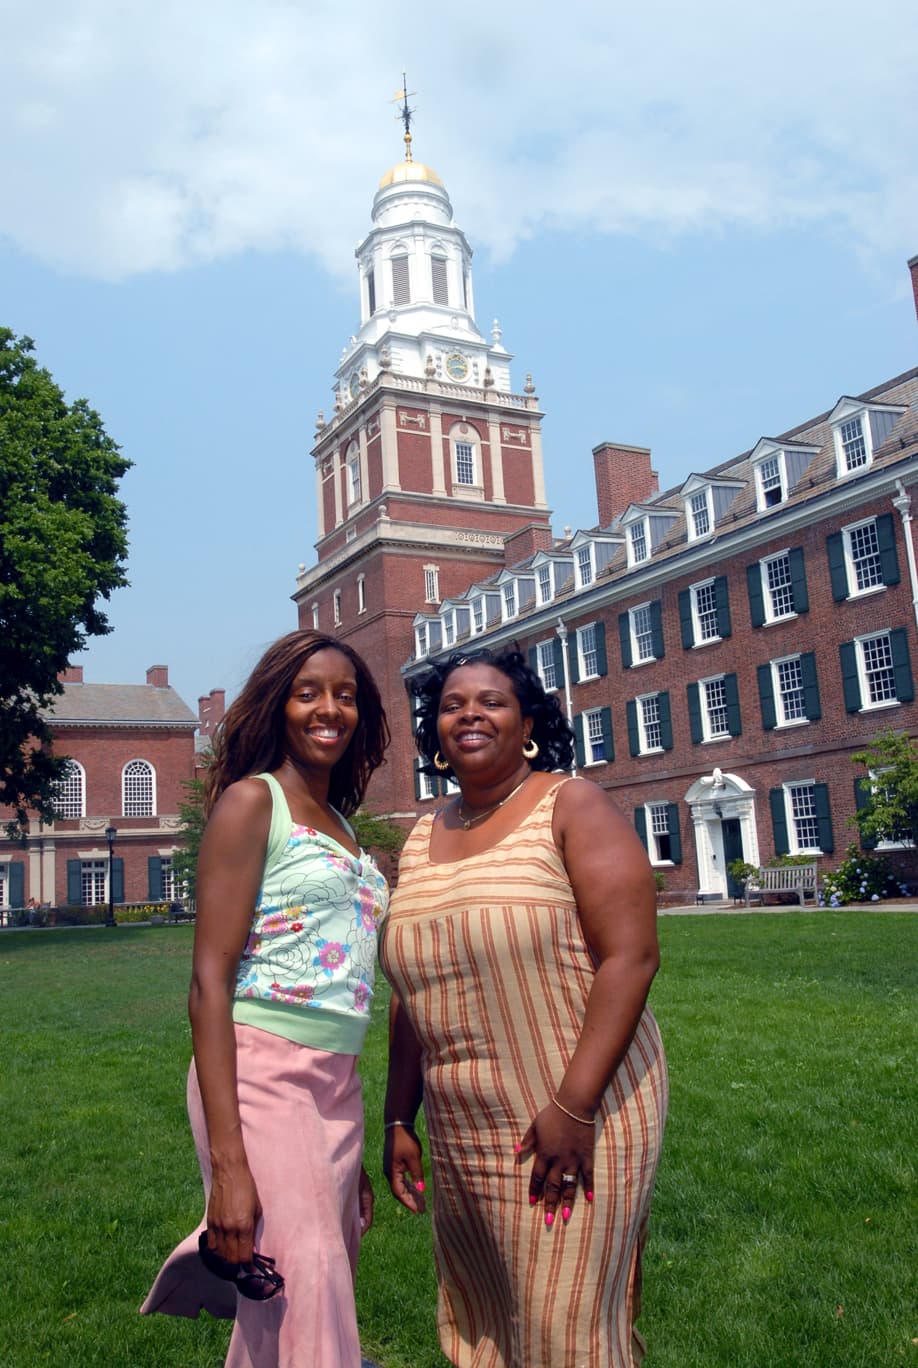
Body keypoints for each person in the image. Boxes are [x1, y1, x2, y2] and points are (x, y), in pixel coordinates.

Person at [380, 648, 667, 1367]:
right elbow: (412, 989)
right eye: (451, 706)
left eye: (491, 701)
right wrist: (396, 1116)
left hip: (576, 1107)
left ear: (528, 722)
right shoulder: (419, 836)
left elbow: (630, 959)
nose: (469, 715)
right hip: (464, 1124)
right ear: (434, 731)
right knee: (488, 1316)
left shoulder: (571, 804)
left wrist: (572, 1108)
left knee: (563, 1325)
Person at [142, 630, 390, 1368]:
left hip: (336, 1084)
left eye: (345, 695)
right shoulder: (256, 804)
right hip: (260, 1071)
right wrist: (229, 1165)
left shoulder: (343, 826)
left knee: (288, 1287)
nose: (329, 709)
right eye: (308, 691)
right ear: (278, 703)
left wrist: (352, 1160)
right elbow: (208, 985)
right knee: (307, 1277)